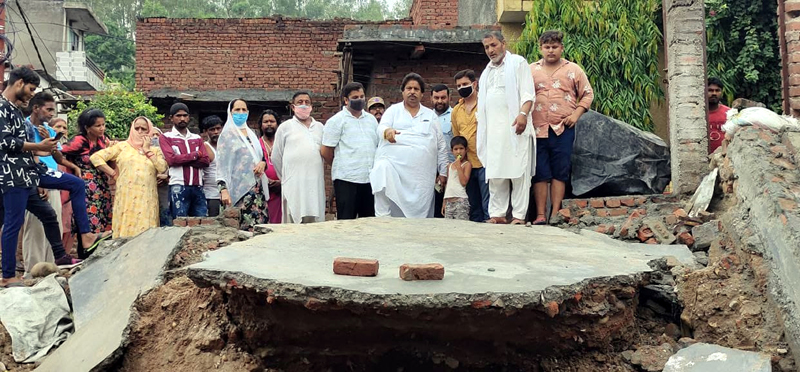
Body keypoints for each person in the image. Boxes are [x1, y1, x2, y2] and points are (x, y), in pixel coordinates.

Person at [0, 67, 81, 287]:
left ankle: (61, 257)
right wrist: (38, 145)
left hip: (26, 176)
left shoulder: (16, 109)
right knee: (12, 224)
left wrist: (43, 149)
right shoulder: (1, 108)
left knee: (47, 214)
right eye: (31, 88)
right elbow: (6, 142)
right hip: (11, 176)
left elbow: (27, 148)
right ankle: (7, 276)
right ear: (19, 83)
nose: (31, 93)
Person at [530, 30, 594, 225]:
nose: (551, 51)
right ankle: (540, 214)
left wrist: (575, 114)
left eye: (554, 47)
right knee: (540, 172)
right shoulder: (530, 70)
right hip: (537, 128)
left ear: (561, 48)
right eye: (547, 47)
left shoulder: (573, 69)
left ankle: (555, 212)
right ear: (541, 48)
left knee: (560, 170)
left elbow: (588, 94)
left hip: (563, 128)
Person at [370, 73, 449, 218]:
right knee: (381, 168)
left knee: (419, 217)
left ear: (422, 94)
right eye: (409, 88)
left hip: (421, 176)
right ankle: (383, 219)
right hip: (395, 170)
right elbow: (381, 128)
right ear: (403, 91)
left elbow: (441, 145)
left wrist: (443, 172)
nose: (412, 91)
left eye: (416, 89)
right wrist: (387, 132)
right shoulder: (393, 111)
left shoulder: (430, 116)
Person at [477, 31, 536, 225]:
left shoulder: (518, 63)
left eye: (493, 45)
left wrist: (523, 115)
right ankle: (497, 214)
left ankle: (518, 216)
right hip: (493, 131)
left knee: (519, 171)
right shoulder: (486, 73)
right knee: (496, 172)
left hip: (515, 127)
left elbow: (528, 93)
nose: (490, 50)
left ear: (503, 43)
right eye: (486, 47)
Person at [21, 92, 81, 276]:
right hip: (34, 180)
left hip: (52, 179)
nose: (51, 114)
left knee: (54, 225)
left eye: (53, 110)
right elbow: (30, 156)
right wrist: (38, 183)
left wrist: (51, 140)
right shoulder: (25, 126)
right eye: (48, 109)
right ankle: (31, 271)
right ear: (36, 108)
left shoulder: (48, 128)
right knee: (35, 228)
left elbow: (58, 157)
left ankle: (48, 270)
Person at [90, 117, 168, 239]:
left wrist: (147, 150)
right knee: (125, 229)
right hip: (126, 195)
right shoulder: (122, 146)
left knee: (146, 230)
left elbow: (162, 168)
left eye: (144, 129)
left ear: (150, 131)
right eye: (137, 128)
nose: (140, 132)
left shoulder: (155, 150)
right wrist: (113, 174)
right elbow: (95, 158)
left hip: (147, 197)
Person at [321, 82, 379, 220]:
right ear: (346, 100)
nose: (359, 100)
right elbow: (325, 151)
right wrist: (342, 165)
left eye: (362, 96)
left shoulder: (371, 120)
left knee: (369, 220)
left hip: (369, 179)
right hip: (346, 180)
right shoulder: (336, 121)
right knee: (347, 222)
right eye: (355, 97)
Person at [271, 92, 326, 223]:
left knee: (315, 222)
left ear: (312, 106)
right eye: (300, 102)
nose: (304, 105)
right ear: (292, 106)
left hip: (314, 183)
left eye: (307, 102)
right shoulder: (285, 127)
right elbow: (276, 157)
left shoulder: (320, 127)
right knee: (293, 222)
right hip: (293, 184)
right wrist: (286, 177)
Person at [217, 99, 270, 230]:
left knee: (259, 229)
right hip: (237, 191)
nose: (241, 113)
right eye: (237, 110)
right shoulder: (226, 136)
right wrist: (223, 190)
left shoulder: (253, 134)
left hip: (257, 191)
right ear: (230, 113)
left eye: (243, 110)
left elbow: (260, 157)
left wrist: (263, 163)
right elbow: (221, 166)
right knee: (240, 230)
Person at [62, 108, 114, 239]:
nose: (102, 128)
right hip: (85, 187)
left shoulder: (103, 140)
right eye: (98, 126)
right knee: (87, 221)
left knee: (104, 219)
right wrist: (73, 166)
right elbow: (58, 153)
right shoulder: (79, 141)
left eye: (103, 124)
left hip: (102, 187)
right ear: (87, 127)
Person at [159, 103, 211, 219]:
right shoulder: (166, 137)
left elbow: (206, 161)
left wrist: (181, 159)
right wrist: (195, 155)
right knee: (179, 223)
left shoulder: (196, 138)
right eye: (178, 116)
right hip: (178, 185)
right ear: (171, 118)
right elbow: (171, 160)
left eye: (185, 115)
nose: (182, 118)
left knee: (201, 223)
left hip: (198, 186)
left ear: (189, 117)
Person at [452, 69, 490, 222]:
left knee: (489, 203)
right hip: (466, 165)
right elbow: (457, 138)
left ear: (474, 84)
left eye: (465, 84)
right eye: (459, 85)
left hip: (484, 161)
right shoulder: (456, 111)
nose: (462, 87)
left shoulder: (485, 104)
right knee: (472, 204)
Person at [50, 118, 75, 252]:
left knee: (67, 221)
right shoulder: (48, 148)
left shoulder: (70, 148)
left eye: (64, 128)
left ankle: (64, 253)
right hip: (53, 186)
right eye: (57, 126)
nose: (61, 130)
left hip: (67, 191)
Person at [431, 84, 454, 218]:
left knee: (450, 207)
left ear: (449, 98)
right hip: (431, 170)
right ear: (431, 98)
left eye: (443, 97)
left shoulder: (455, 115)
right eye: (436, 98)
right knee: (434, 206)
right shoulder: (427, 117)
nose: (440, 101)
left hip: (451, 168)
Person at [258, 109, 283, 224]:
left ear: (277, 124)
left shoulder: (283, 143)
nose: (269, 124)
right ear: (261, 125)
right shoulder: (256, 144)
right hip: (263, 192)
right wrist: (265, 181)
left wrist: (281, 182)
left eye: (272, 121)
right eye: (265, 121)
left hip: (282, 190)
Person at [442, 136, 472, 220]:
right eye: (456, 149)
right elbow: (448, 184)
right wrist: (444, 202)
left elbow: (463, 182)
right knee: (448, 227)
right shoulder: (450, 166)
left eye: (461, 148)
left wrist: (459, 167)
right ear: (452, 151)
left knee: (461, 226)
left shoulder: (466, 164)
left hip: (460, 201)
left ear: (466, 150)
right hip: (449, 201)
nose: (459, 151)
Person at [200, 115, 223, 217]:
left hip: (227, 195)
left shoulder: (226, 147)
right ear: (205, 132)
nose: (216, 132)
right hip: (211, 195)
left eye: (218, 129)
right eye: (212, 129)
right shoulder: (204, 147)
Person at [707, 77, 730, 154]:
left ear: (721, 92)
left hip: (724, 159)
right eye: (710, 90)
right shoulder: (697, 114)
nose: (714, 93)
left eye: (717, 90)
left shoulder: (729, 113)